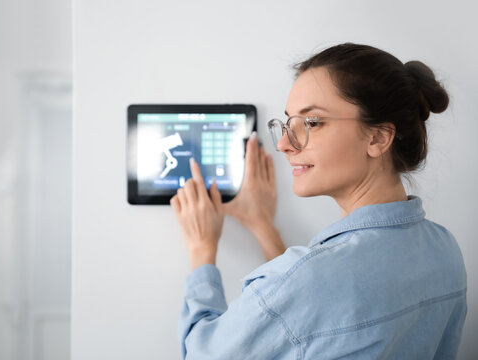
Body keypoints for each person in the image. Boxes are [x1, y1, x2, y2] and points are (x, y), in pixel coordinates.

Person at [170, 43, 467, 359]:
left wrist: (202, 249)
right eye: (288, 123)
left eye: (311, 122)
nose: (284, 143)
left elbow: (200, 353)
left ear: (378, 137)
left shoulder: (310, 280)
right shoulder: (444, 249)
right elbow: (309, 312)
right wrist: (262, 225)